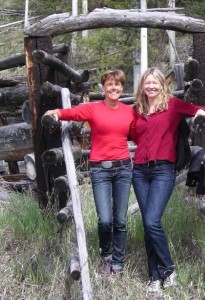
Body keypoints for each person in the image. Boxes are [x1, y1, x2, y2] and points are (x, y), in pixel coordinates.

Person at [43, 69, 135, 275]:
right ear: (103, 88)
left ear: (122, 87)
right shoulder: (93, 109)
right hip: (100, 170)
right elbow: (72, 113)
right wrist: (57, 112)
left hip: (123, 169)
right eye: (109, 84)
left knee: (120, 219)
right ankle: (106, 257)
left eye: (117, 84)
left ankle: (119, 262)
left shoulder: (129, 111)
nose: (114, 88)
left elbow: (140, 132)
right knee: (105, 219)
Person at [132, 67, 205, 293]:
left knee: (151, 221)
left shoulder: (173, 105)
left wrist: (202, 114)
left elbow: (201, 109)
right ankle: (154, 276)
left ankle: (168, 268)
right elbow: (124, 131)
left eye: (155, 82)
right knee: (147, 225)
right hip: (138, 171)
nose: (151, 86)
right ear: (142, 86)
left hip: (162, 171)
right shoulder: (137, 109)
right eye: (147, 83)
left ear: (162, 84)